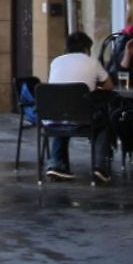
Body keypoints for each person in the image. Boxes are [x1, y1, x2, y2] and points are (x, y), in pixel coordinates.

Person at [46, 31, 115, 183]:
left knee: (62, 116)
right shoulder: (92, 62)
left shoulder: (55, 62)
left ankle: (57, 164)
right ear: (86, 49)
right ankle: (99, 167)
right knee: (103, 123)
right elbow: (109, 85)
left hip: (52, 117)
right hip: (83, 118)